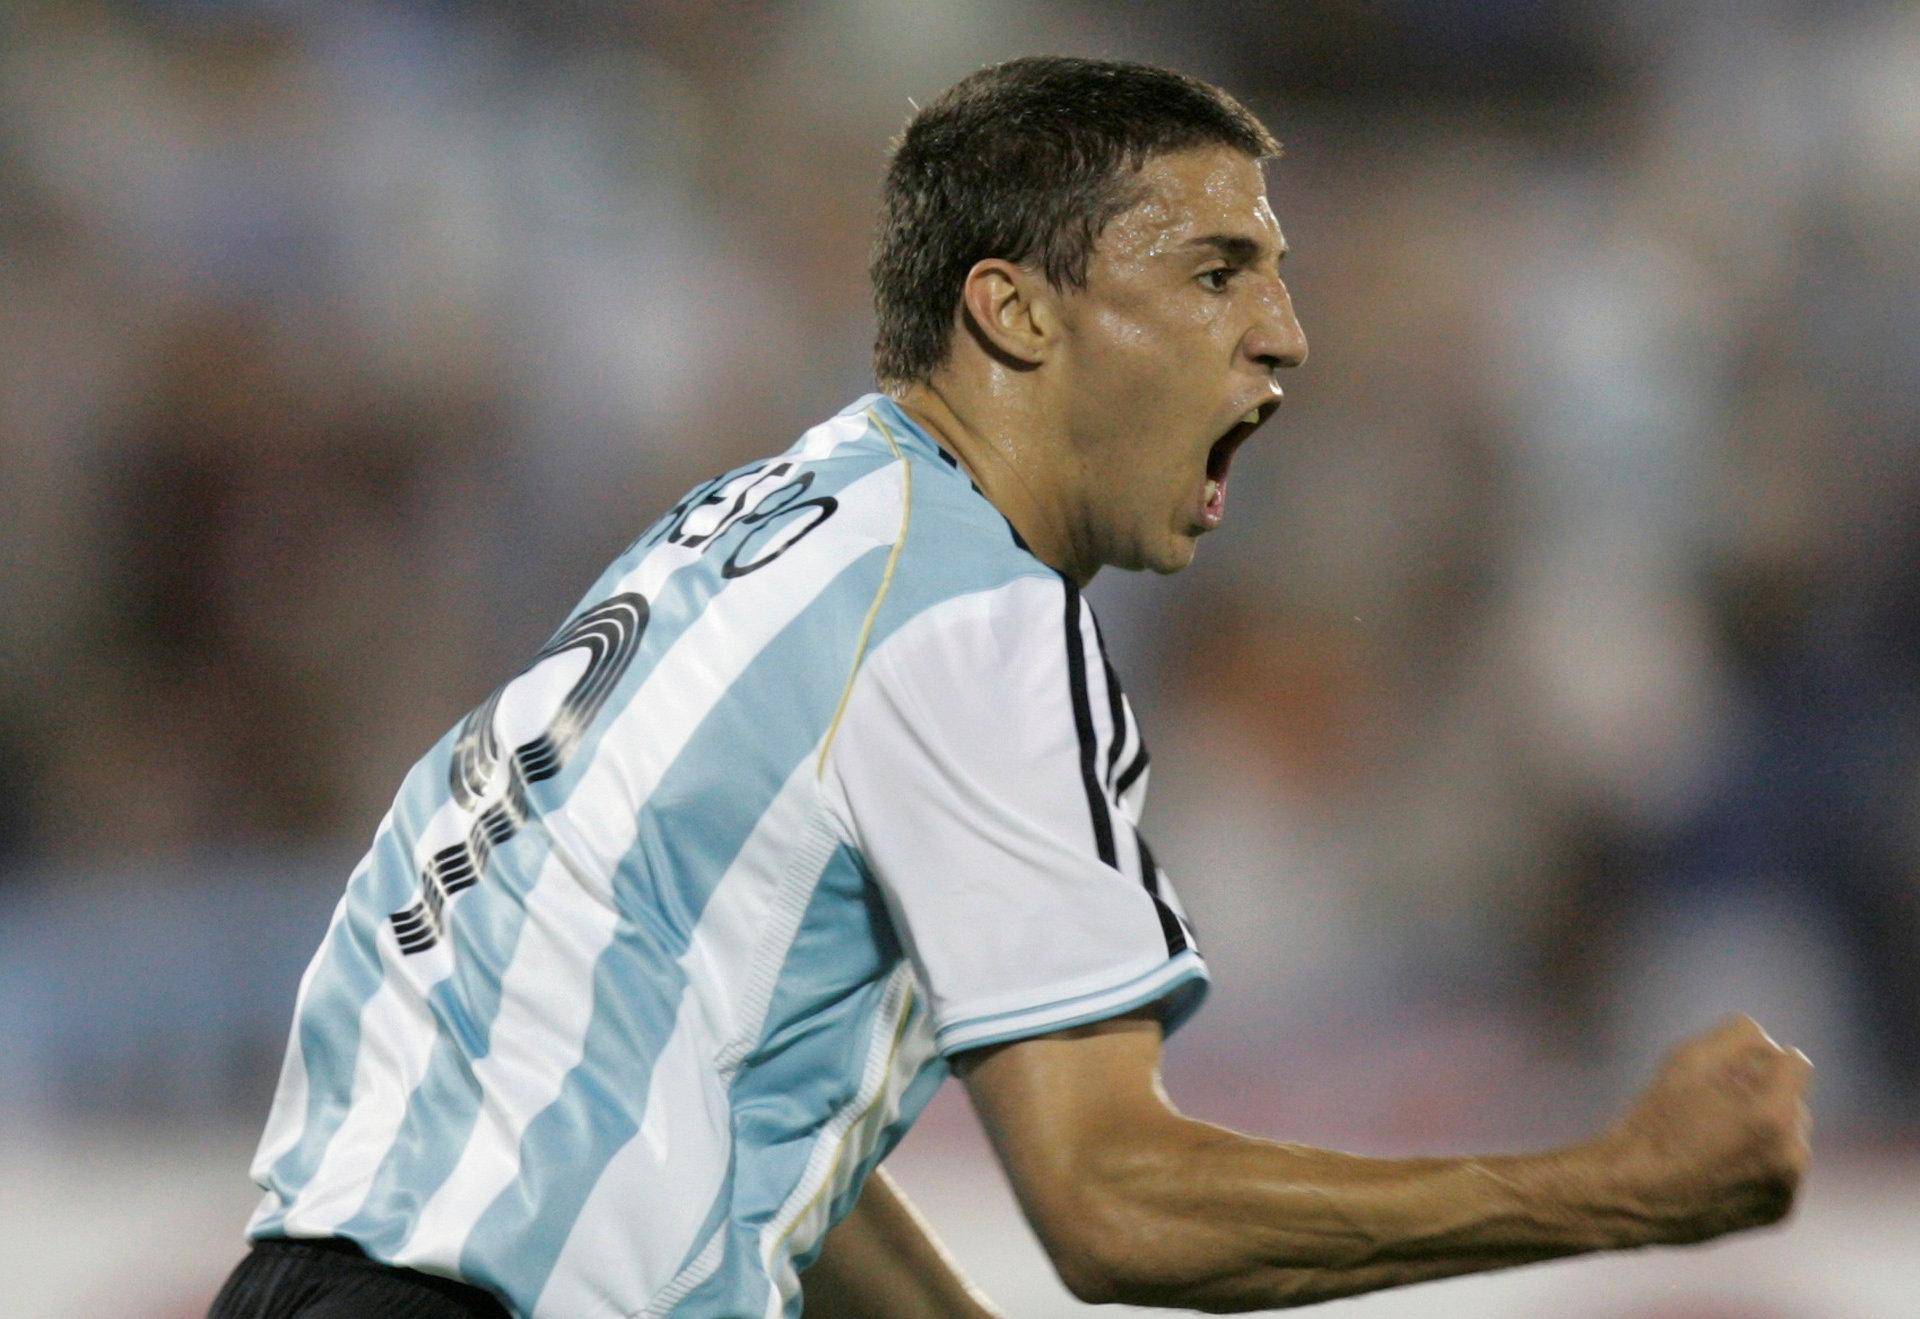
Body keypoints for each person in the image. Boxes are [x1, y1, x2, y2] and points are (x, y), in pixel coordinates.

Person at [212, 56, 1811, 1318]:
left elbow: (726, 1104)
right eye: (1213, 272)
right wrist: (1619, 1186)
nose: (1286, 338)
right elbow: (1116, 1205)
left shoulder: (764, 526)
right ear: (1015, 311)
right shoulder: (969, 615)